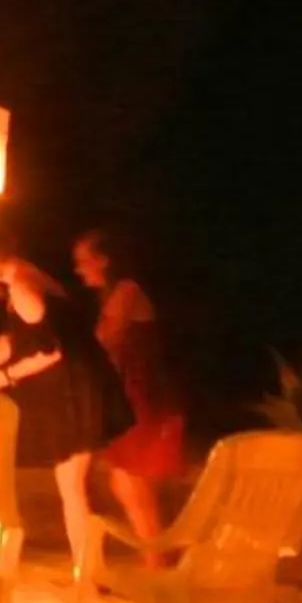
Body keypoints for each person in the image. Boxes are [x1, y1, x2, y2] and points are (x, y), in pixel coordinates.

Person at [0, 217, 129, 594]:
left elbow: (49, 350)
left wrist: (5, 377)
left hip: (74, 391)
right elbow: (12, 342)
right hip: (79, 386)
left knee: (72, 486)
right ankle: (92, 573)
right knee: (74, 486)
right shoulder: (25, 276)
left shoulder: (22, 287)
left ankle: (88, 578)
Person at [74, 227, 185, 540]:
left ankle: (157, 557)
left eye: (83, 260)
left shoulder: (127, 291)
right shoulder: (116, 295)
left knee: (130, 482)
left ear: (104, 260)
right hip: (132, 395)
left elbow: (104, 341)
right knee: (126, 483)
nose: (78, 269)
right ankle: (156, 556)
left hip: (143, 398)